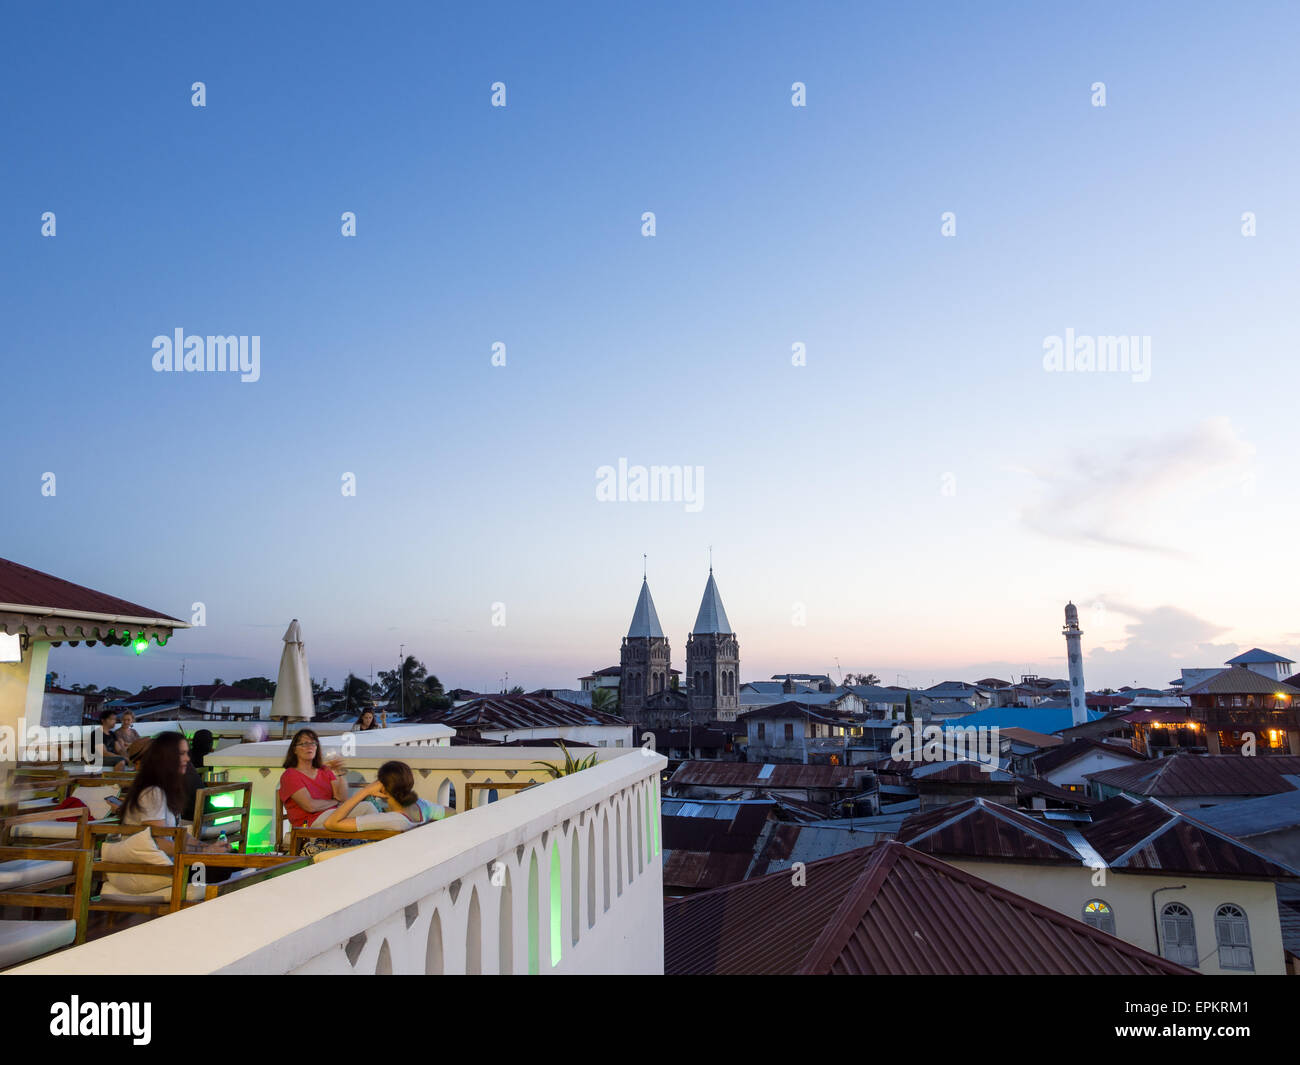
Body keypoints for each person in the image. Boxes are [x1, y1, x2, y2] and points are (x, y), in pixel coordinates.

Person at [119, 732, 230, 859]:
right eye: (181, 754)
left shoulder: (164, 787)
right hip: (150, 868)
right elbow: (157, 843)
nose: (188, 758)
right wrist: (205, 851)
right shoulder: (153, 792)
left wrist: (208, 847)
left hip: (166, 863)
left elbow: (178, 834)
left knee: (231, 861)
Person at [323, 761, 445, 832]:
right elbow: (451, 813)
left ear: (382, 787)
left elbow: (330, 823)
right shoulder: (422, 805)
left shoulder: (391, 820)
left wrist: (364, 792)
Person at [278, 728, 348, 829]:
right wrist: (334, 802)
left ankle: (370, 844)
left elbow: (342, 798)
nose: (309, 747)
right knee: (364, 812)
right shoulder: (290, 775)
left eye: (313, 743)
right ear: (295, 750)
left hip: (333, 815)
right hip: (309, 824)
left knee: (366, 808)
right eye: (304, 744)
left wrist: (340, 772)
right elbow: (310, 806)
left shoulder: (324, 770)